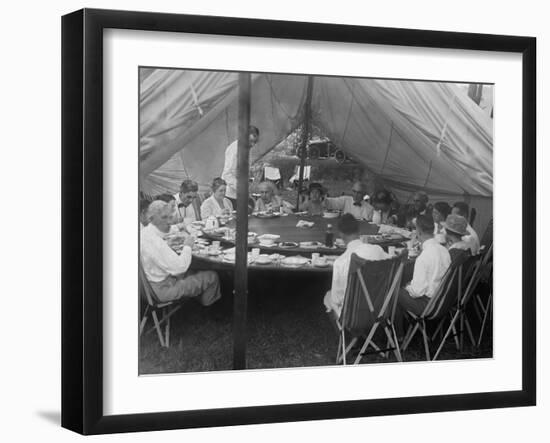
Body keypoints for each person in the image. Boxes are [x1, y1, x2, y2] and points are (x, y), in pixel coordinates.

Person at [140, 200, 221, 305]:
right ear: (151, 219)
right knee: (211, 275)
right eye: (164, 217)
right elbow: (180, 268)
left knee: (192, 270)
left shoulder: (144, 233)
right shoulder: (155, 242)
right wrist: (188, 246)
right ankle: (210, 309)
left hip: (147, 288)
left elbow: (156, 251)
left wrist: (169, 242)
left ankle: (196, 299)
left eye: (170, 217)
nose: (169, 222)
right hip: (163, 290)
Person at [395, 214, 451, 336]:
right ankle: (404, 328)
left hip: (428, 305)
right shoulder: (445, 250)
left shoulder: (424, 257)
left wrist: (406, 287)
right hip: (443, 301)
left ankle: (398, 334)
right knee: (404, 285)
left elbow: (417, 292)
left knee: (394, 291)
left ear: (418, 231)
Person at [323, 214, 388, 317]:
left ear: (341, 234)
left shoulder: (340, 262)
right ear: (359, 231)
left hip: (353, 314)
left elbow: (336, 299)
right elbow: (394, 260)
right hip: (380, 307)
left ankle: (343, 329)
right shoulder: (377, 249)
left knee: (328, 296)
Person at [221, 125, 260, 207]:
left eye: (255, 142)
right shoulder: (234, 150)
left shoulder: (246, 149)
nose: (252, 145)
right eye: (250, 141)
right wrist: (241, 188)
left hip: (241, 194)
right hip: (231, 195)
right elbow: (227, 174)